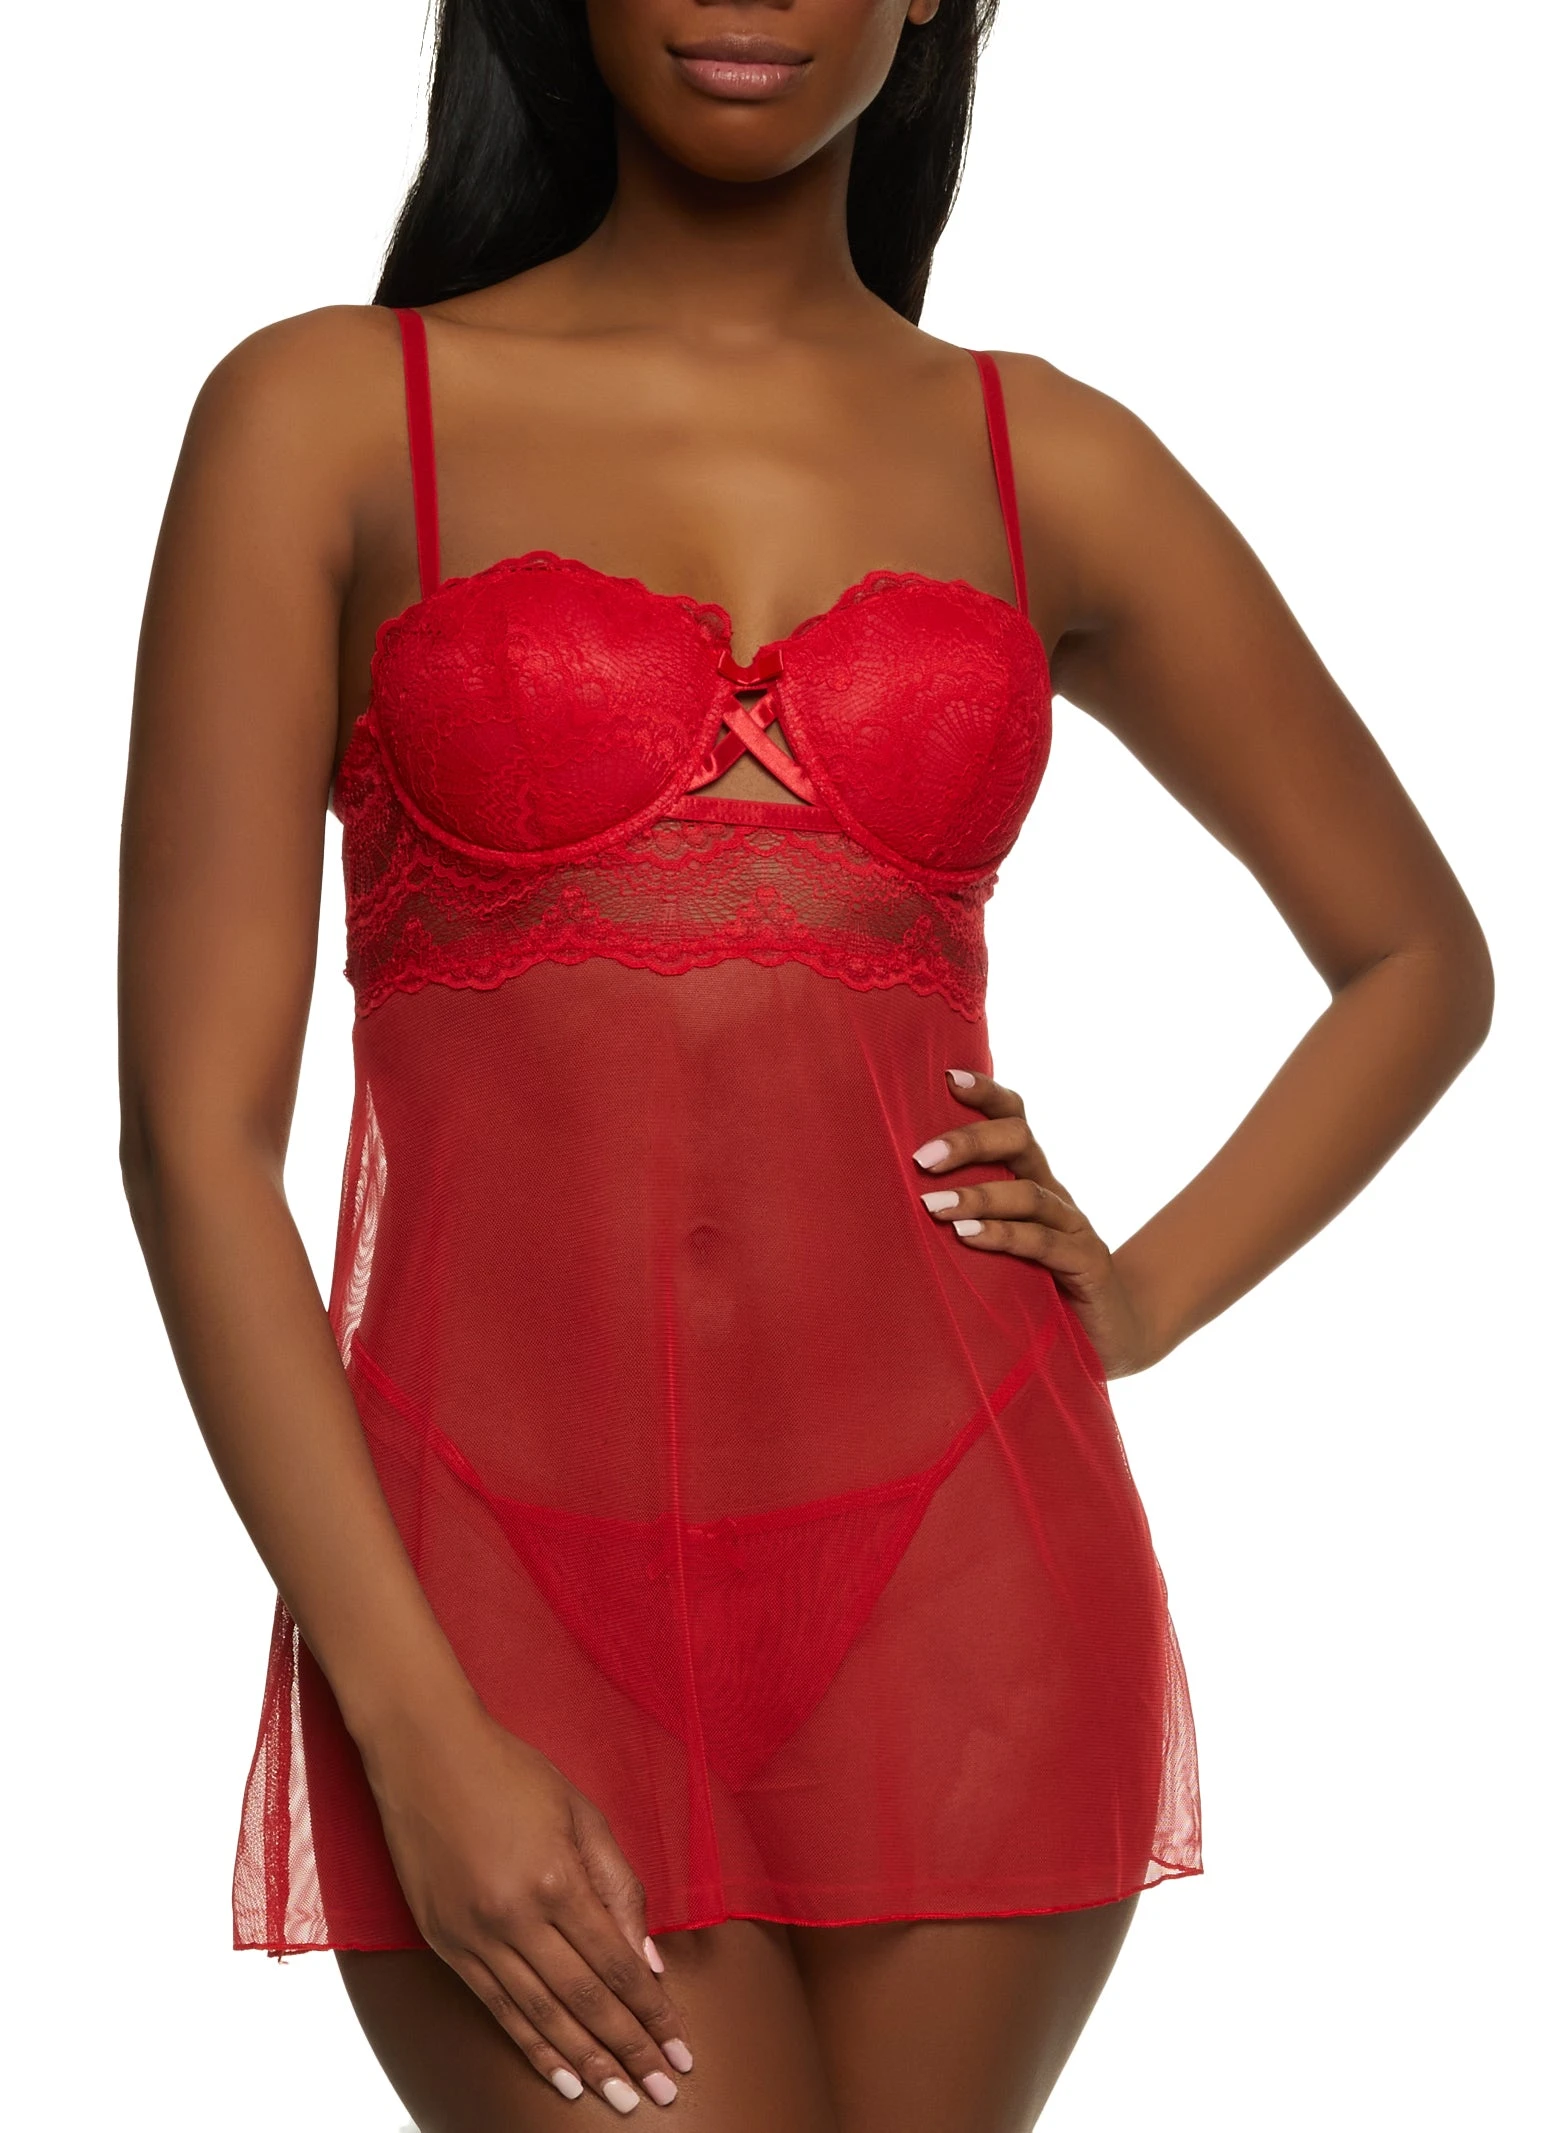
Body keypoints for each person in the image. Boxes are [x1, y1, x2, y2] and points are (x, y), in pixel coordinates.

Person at [118, 3, 1492, 2127]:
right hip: (486, 1602)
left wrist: (1139, 1294)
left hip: (968, 1574)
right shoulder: (326, 415)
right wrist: (410, 1722)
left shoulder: (1049, 459)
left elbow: (1415, 959)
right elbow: (194, 1142)